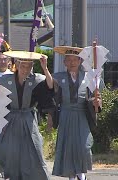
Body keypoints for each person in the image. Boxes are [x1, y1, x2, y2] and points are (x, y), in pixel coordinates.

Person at [0, 51, 55, 180]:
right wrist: (0, 121)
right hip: (11, 118)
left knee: (34, 148)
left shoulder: (37, 79)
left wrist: (45, 68)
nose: (25, 70)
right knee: (10, 151)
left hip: (28, 118)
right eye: (23, 66)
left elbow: (50, 86)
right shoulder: (5, 79)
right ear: (17, 64)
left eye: (29, 67)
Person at [51, 46, 103, 180]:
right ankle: (72, 176)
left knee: (84, 146)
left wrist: (96, 102)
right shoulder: (58, 77)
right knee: (68, 146)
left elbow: (93, 97)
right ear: (64, 62)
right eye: (69, 60)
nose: (72, 63)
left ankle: (81, 174)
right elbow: (52, 96)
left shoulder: (88, 78)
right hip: (66, 115)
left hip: (82, 115)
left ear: (80, 61)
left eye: (75, 60)